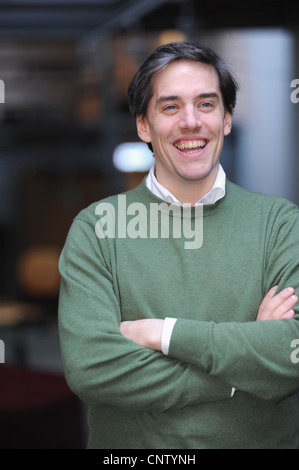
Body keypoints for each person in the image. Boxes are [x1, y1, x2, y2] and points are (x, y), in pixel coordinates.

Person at [58, 41, 299, 449]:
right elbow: (93, 368)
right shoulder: (97, 229)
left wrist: (164, 334)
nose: (191, 122)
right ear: (143, 126)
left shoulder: (280, 224)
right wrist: (244, 368)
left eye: (206, 104)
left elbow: (290, 353)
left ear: (226, 118)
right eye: (170, 107)